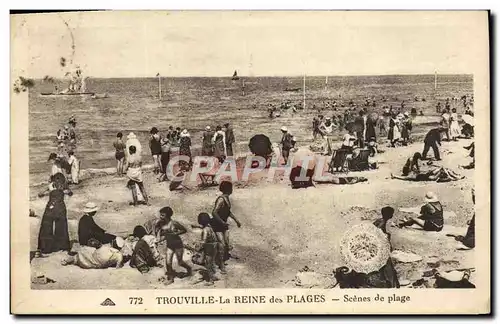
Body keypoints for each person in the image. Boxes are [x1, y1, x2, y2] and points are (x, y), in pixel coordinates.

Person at [156, 206, 192, 285]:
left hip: (178, 245)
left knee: (180, 262)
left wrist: (175, 233)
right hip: (169, 245)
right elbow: (164, 235)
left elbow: (184, 230)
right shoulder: (161, 223)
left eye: (162, 215)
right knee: (168, 262)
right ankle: (171, 278)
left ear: (168, 215)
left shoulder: (174, 223)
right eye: (160, 215)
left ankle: (189, 269)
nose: (160, 216)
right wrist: (159, 240)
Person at [37, 175, 71, 254]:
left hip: (51, 207)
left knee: (47, 226)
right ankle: (60, 246)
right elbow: (70, 193)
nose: (57, 181)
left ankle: (46, 247)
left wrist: (48, 192)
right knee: (61, 226)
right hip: (59, 208)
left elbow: (40, 194)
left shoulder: (52, 185)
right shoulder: (62, 185)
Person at [211, 181, 242, 261]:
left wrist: (236, 220)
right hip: (217, 224)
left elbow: (227, 212)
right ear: (228, 189)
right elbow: (214, 212)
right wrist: (222, 222)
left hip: (223, 224)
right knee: (222, 242)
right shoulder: (221, 199)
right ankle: (220, 261)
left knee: (226, 242)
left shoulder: (226, 198)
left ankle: (224, 256)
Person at [194, 212, 225, 286]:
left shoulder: (205, 230)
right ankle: (214, 276)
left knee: (208, 264)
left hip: (209, 248)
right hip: (214, 246)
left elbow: (204, 240)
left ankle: (211, 280)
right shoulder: (210, 227)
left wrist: (199, 247)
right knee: (211, 262)